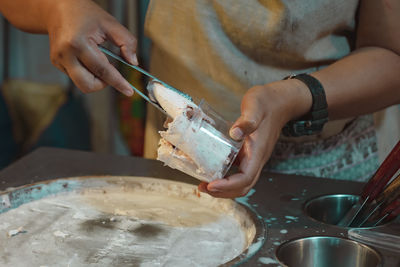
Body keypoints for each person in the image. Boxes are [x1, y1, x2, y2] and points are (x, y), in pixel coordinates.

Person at [1, 0, 399, 199]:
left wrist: (291, 98)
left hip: (319, 175)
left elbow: (391, 57)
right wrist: (58, 10)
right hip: (180, 160)